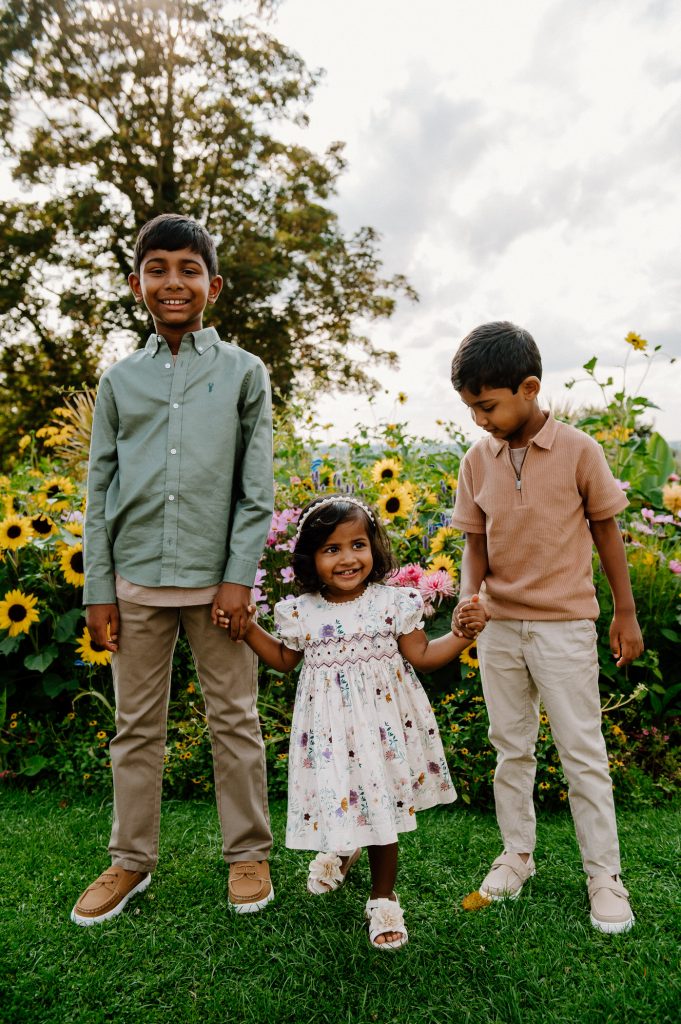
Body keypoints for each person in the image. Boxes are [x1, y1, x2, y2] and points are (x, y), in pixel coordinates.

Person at [72, 213, 275, 925]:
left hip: (218, 587)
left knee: (234, 721)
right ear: (137, 285)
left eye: (188, 269)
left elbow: (256, 490)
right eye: (156, 269)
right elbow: (99, 490)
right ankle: (130, 859)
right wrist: (99, 590)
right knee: (135, 728)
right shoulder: (119, 381)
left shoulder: (245, 373)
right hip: (134, 586)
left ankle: (248, 853)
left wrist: (237, 578)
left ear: (212, 286)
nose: (172, 282)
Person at [217, 494, 487, 949]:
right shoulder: (302, 611)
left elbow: (422, 656)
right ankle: (344, 848)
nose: (348, 559)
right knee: (340, 792)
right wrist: (247, 630)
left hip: (382, 730)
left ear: (373, 547)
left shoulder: (392, 603)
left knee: (379, 804)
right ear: (311, 558)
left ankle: (383, 897)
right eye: (332, 549)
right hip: (330, 734)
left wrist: (461, 635)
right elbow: (283, 660)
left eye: (358, 545)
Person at [449, 321, 644, 934]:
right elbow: (474, 542)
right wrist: (469, 597)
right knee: (511, 749)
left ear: (529, 388)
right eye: (471, 408)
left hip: (564, 628)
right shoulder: (476, 460)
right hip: (501, 629)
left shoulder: (580, 451)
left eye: (487, 406)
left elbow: (607, 531)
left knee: (582, 753)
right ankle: (517, 855)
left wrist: (625, 612)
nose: (479, 419)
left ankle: (605, 876)